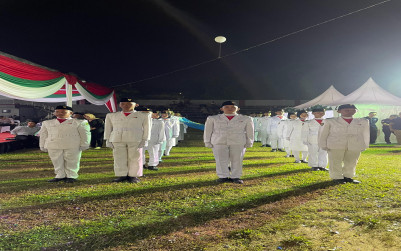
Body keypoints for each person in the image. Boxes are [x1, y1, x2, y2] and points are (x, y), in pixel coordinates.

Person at [203, 101, 254, 184]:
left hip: (238, 141)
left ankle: (236, 176)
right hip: (219, 141)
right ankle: (223, 176)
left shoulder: (246, 118)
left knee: (237, 159)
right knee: (220, 159)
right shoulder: (213, 118)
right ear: (221, 109)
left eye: (233, 107)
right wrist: (207, 141)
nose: (230, 109)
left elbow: (250, 131)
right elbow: (208, 131)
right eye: (226, 107)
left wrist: (250, 141)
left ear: (238, 109)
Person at [318, 104, 369, 184]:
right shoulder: (330, 121)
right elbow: (323, 133)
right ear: (339, 111)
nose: (350, 111)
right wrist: (323, 145)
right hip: (335, 144)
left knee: (351, 161)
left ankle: (348, 176)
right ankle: (337, 177)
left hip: (355, 144)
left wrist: (365, 145)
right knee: (335, 161)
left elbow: (365, 133)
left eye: (353, 109)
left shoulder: (362, 121)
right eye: (346, 109)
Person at [39, 105, 91, 183]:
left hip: (72, 144)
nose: (60, 113)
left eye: (63, 112)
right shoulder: (47, 123)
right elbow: (43, 135)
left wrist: (85, 144)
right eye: (57, 112)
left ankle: (71, 175)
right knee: (56, 160)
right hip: (53, 144)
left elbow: (85, 134)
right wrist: (42, 145)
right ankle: (60, 175)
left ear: (71, 113)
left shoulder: (79, 122)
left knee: (72, 160)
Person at [104, 98, 151, 183]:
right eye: (123, 104)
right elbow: (107, 128)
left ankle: (133, 175)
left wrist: (145, 139)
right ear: (120, 105)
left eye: (129, 104)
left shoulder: (143, 115)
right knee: (119, 158)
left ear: (136, 105)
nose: (126, 106)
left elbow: (147, 128)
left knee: (135, 158)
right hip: (117, 139)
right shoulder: (111, 115)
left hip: (135, 139)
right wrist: (107, 139)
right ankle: (121, 175)